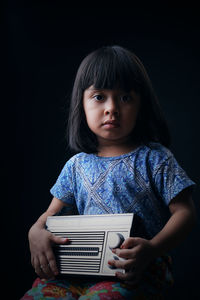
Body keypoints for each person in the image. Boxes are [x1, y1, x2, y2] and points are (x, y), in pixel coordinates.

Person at [21, 45, 196, 299]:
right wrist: (34, 231)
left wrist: (152, 249)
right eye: (99, 96)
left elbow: (185, 214)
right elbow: (50, 215)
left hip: (137, 270)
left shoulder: (156, 159)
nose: (111, 108)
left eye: (125, 97)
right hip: (76, 271)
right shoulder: (76, 165)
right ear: (81, 103)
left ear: (141, 105)